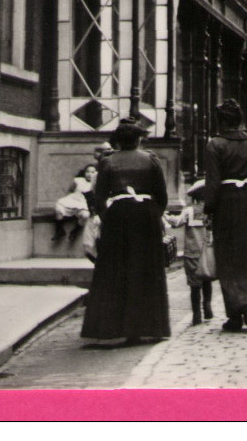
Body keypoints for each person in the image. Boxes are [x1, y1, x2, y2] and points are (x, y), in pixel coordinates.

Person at [81, 117, 170, 345]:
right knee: (145, 269)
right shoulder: (151, 160)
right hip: (146, 216)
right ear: (139, 139)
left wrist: (108, 217)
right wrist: (152, 214)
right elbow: (162, 196)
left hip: (118, 217)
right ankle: (147, 327)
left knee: (115, 270)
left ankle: (111, 328)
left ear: (118, 141)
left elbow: (99, 198)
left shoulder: (108, 163)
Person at [204, 99, 247, 332]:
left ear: (221, 121)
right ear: (240, 119)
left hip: (227, 203)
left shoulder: (215, 145)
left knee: (228, 257)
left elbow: (212, 183)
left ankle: (234, 313)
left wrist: (209, 210)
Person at [164, 204, 215, 326]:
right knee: (207, 280)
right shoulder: (209, 211)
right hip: (206, 251)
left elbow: (177, 222)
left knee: (194, 285)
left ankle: (196, 315)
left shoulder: (189, 211)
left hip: (191, 252)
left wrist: (166, 216)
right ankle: (207, 306)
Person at [53, 164, 96, 242]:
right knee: (58, 207)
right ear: (84, 172)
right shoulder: (78, 180)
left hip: (83, 204)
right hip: (73, 200)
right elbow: (70, 191)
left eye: (92, 172)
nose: (89, 174)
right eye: (87, 172)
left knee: (85, 215)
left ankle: (75, 232)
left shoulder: (95, 184)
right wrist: (68, 199)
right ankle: (59, 230)